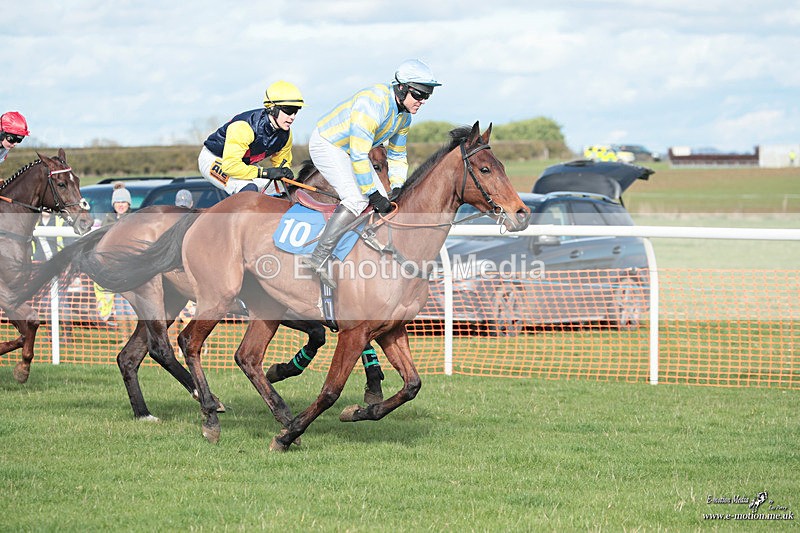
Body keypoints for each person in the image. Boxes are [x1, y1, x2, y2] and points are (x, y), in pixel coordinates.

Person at [301, 59, 441, 287]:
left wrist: (397, 186)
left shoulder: (404, 116)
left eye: (427, 95)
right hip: (328, 144)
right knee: (357, 198)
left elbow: (397, 155)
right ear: (402, 88)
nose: (422, 100)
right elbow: (359, 155)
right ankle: (318, 256)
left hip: (350, 150)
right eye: (419, 94)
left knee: (385, 198)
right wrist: (372, 194)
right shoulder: (373, 103)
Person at [198, 81, 303, 196]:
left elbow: (281, 162)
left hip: (243, 164)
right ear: (272, 109)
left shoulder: (286, 135)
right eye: (289, 111)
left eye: (295, 111)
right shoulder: (243, 127)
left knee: (282, 190)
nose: (292, 117)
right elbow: (230, 166)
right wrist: (265, 172)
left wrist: (285, 172)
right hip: (217, 159)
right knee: (249, 188)